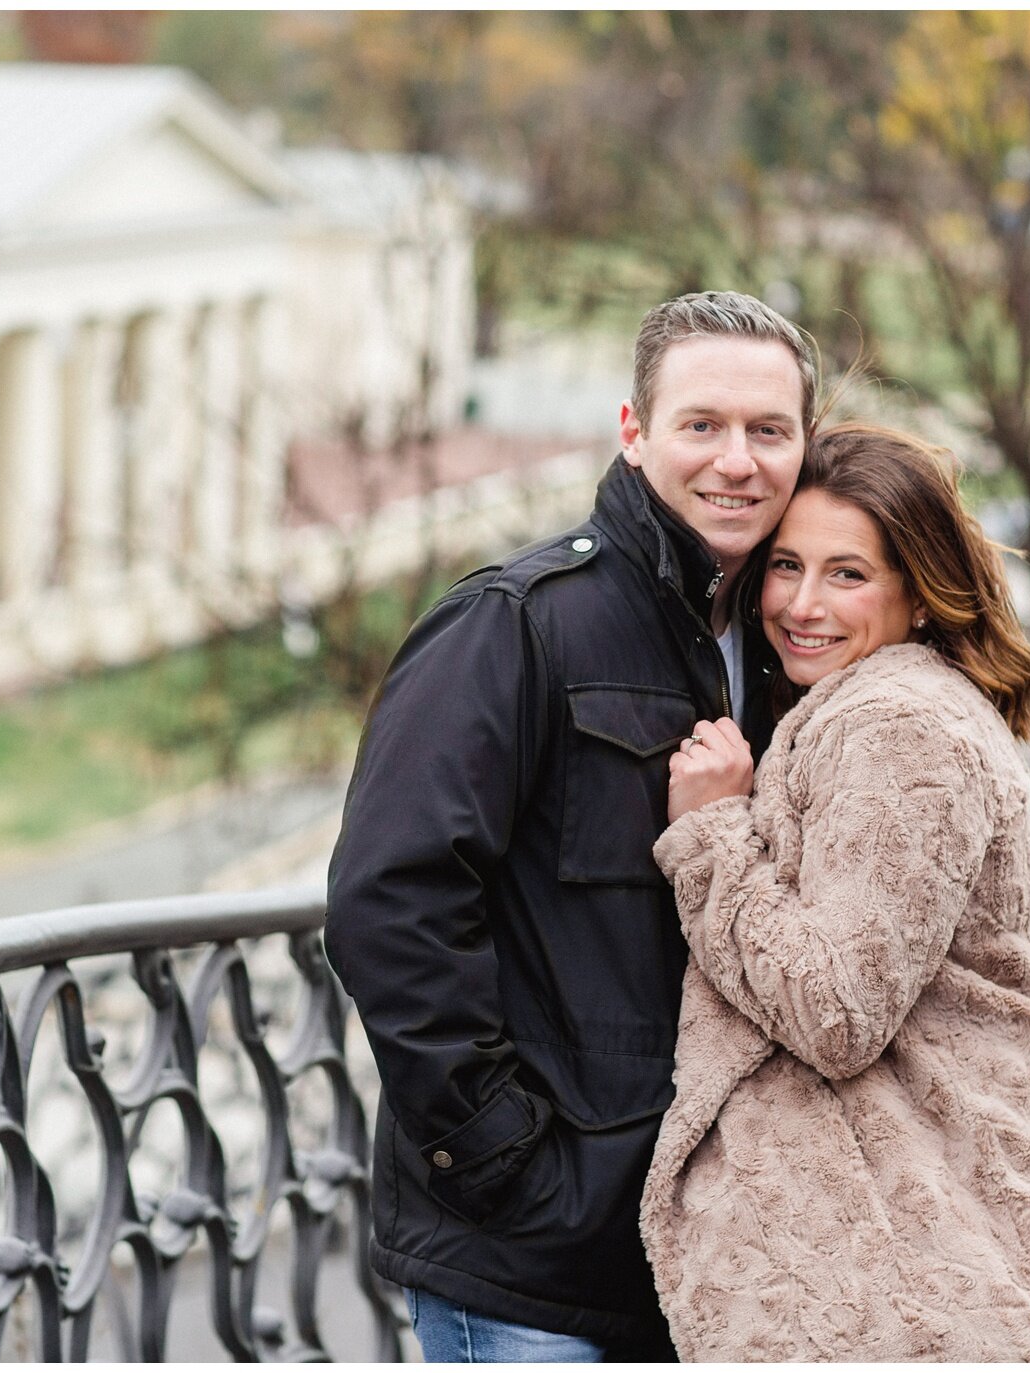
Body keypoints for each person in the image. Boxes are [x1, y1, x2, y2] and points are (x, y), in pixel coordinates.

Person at [324, 291, 817, 1361]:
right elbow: (390, 901)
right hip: (527, 1263)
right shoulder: (515, 622)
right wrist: (499, 1156)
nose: (737, 459)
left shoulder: (793, 651)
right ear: (633, 433)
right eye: (702, 424)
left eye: (768, 430)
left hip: (709, 1252)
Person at [640, 423, 1030, 1361]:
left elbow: (836, 1009)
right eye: (784, 567)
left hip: (969, 1266)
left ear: (920, 593)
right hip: (1007, 1239)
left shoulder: (896, 725)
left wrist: (711, 833)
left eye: (847, 574)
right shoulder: (891, 704)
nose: (803, 604)